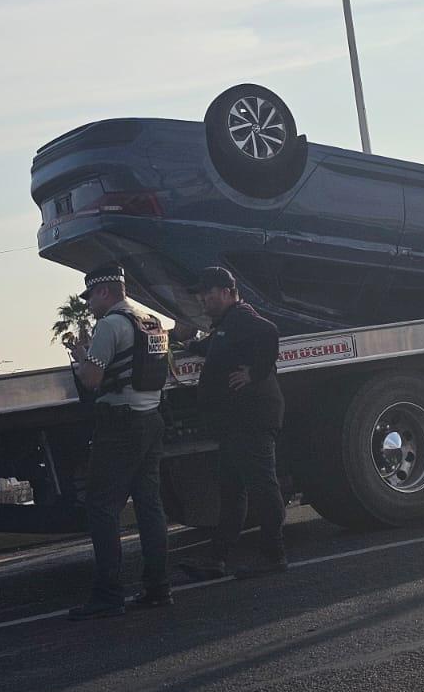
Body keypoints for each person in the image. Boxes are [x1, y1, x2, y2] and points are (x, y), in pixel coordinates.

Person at [64, 264, 171, 619]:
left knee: (102, 508)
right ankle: (158, 587)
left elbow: (92, 380)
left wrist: (80, 359)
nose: (90, 305)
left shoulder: (110, 324)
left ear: (104, 291)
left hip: (120, 425)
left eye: (91, 297)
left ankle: (109, 594)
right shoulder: (151, 321)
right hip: (152, 419)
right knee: (149, 506)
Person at [174, 267, 287, 581]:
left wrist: (254, 373)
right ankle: (217, 557)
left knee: (262, 486)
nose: (203, 300)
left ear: (225, 292)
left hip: (253, 418)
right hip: (236, 422)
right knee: (231, 489)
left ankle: (273, 554)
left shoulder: (242, 318)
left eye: (207, 294)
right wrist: (188, 346)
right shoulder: (226, 325)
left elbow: (270, 332)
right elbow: (214, 347)